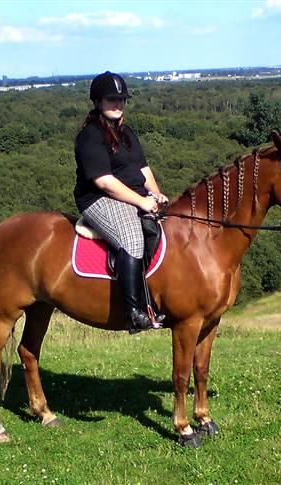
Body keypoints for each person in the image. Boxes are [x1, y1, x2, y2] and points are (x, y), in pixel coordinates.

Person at [74, 71, 168, 333]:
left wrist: (157, 197)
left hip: (132, 196)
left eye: (121, 99)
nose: (117, 104)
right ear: (98, 102)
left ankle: (156, 297)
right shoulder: (90, 136)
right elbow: (104, 181)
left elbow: (143, 170)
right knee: (132, 238)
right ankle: (133, 312)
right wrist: (141, 201)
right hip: (99, 199)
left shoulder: (127, 133)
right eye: (111, 99)